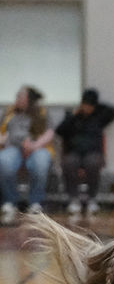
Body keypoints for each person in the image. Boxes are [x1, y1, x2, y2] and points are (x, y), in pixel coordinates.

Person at [54, 87, 114, 216]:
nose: (86, 108)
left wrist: (97, 106)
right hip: (74, 152)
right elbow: (59, 131)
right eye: (85, 104)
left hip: (93, 152)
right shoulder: (72, 116)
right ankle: (73, 199)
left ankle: (92, 199)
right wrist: (74, 114)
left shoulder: (100, 116)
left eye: (89, 105)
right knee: (69, 163)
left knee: (93, 163)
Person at [0, 85, 53, 222]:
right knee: (4, 161)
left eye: (20, 97)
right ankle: (10, 201)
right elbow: (2, 132)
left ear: (29, 99)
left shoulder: (41, 113)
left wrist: (35, 145)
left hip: (37, 147)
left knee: (41, 162)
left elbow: (49, 133)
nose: (17, 99)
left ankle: (35, 202)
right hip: (13, 147)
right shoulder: (9, 112)